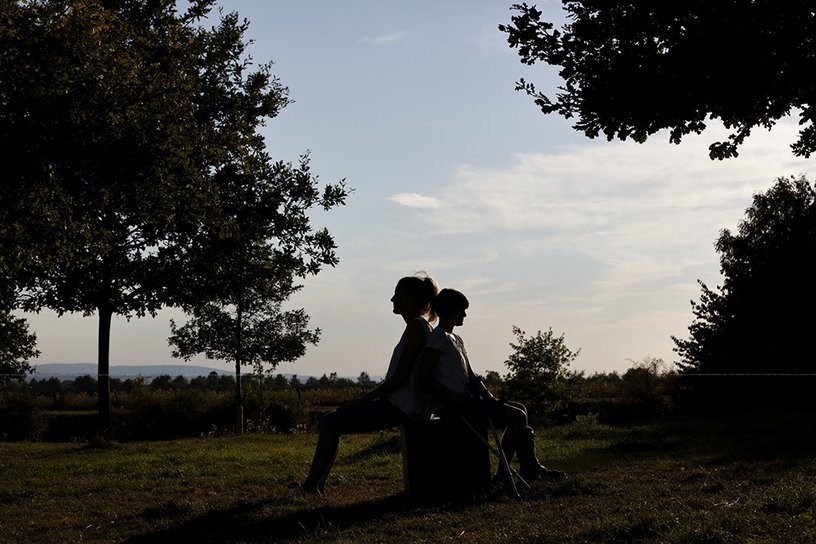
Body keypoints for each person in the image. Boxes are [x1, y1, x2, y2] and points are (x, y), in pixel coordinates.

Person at [293, 273, 439, 496]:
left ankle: (311, 487)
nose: (392, 299)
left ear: (410, 298)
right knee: (332, 422)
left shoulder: (416, 328)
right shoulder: (421, 327)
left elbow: (399, 378)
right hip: (405, 405)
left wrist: (362, 400)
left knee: (330, 421)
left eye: (397, 295)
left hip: (401, 407)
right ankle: (315, 485)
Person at [419, 288, 566, 483]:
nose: (465, 315)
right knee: (518, 416)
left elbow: (470, 375)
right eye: (462, 310)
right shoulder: (438, 338)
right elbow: (424, 376)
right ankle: (505, 472)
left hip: (469, 400)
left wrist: (489, 396)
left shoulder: (456, 339)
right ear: (452, 311)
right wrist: (452, 397)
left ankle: (530, 465)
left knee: (520, 409)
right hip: (457, 406)